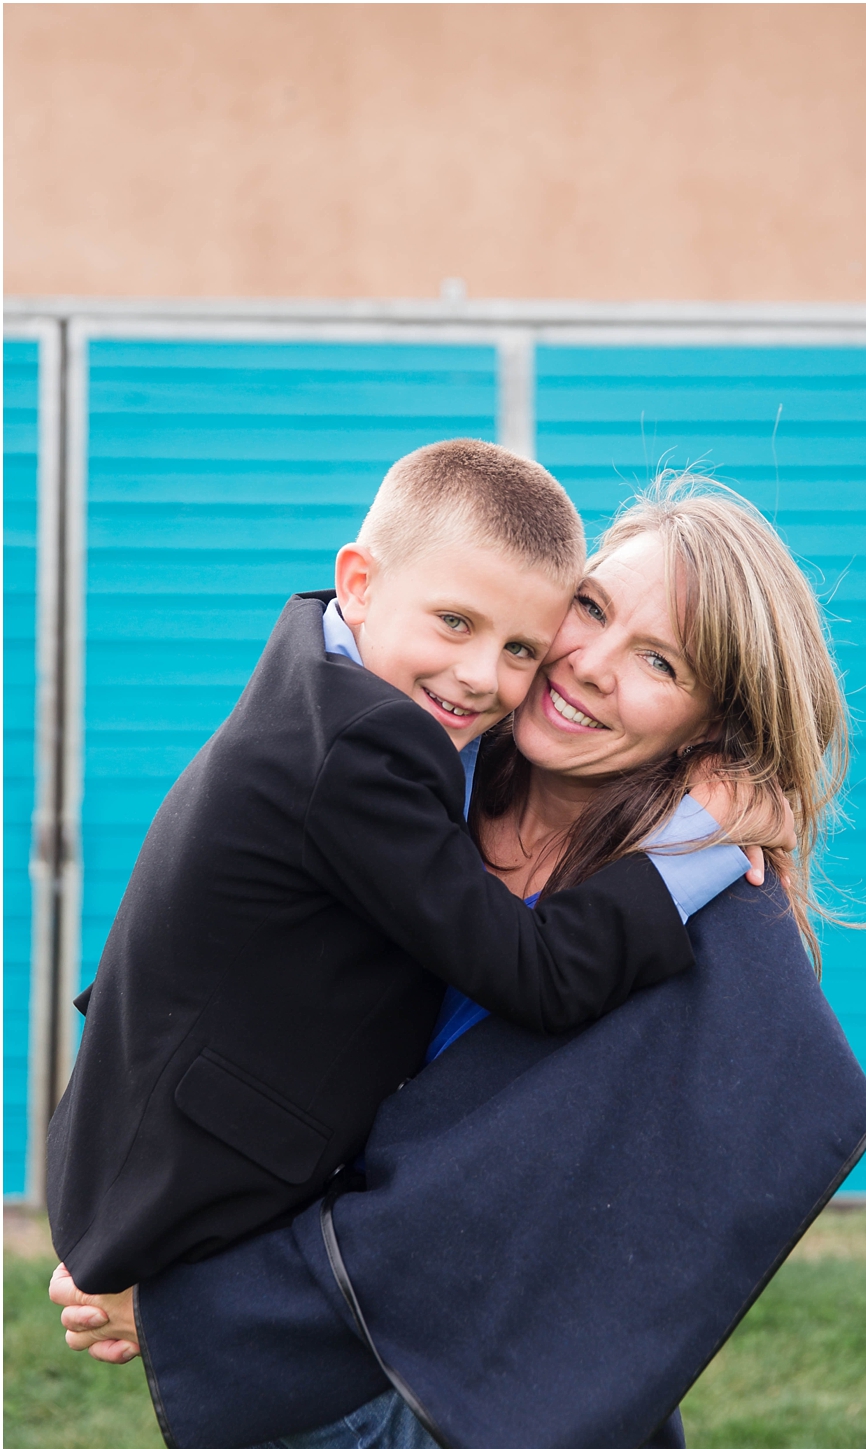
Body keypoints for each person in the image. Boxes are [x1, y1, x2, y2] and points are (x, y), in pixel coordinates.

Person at [51, 472, 866, 1449]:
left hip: (464, 1414)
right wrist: (145, 1199)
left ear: (708, 731)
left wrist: (197, 1315)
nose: (590, 665)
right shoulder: (422, 759)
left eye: (660, 661)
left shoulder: (708, 925)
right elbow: (219, 969)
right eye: (591, 609)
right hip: (266, 1363)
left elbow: (567, 1239)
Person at [48, 441, 780, 1297]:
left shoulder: (326, 676)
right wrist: (703, 838)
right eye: (456, 623)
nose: (481, 677)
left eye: (519, 647)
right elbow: (538, 973)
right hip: (208, 1193)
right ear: (359, 583)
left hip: (162, 1142)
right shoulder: (366, 748)